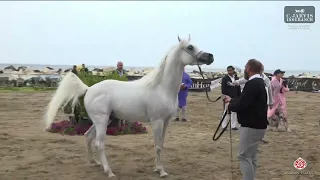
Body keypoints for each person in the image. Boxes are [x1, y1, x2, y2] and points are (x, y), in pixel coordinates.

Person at [224, 59, 268, 180]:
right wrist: (232, 100)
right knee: (251, 156)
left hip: (251, 126)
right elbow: (246, 100)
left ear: (248, 68)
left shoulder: (252, 84)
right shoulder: (259, 82)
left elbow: (243, 105)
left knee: (244, 156)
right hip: (258, 125)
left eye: (245, 67)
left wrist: (230, 106)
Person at [221, 65, 241, 130]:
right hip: (227, 97)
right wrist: (224, 96)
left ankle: (233, 126)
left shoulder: (236, 78)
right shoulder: (225, 79)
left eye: (231, 70)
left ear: (233, 70)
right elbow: (223, 89)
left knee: (234, 112)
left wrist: (239, 96)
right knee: (226, 112)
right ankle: (224, 126)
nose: (229, 72)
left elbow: (238, 88)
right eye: (228, 70)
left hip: (235, 97)